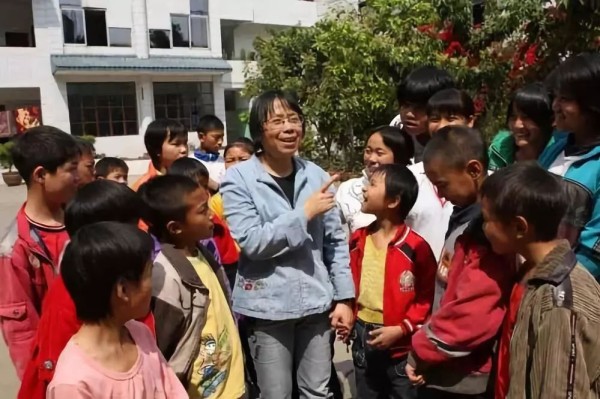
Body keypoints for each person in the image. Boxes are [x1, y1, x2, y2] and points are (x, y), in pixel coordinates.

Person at [221, 90, 355, 399]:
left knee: (317, 392)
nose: (289, 128)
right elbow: (252, 242)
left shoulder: (315, 174)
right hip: (268, 308)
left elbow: (335, 241)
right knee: (276, 394)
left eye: (294, 119)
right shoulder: (239, 179)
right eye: (278, 121)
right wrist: (304, 213)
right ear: (259, 131)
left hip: (315, 304)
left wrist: (345, 298)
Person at [18, 180, 155, 399]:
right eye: (131, 226)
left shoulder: (136, 322)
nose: (139, 232)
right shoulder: (67, 297)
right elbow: (55, 371)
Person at [405, 126, 515, 399]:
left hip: (465, 376)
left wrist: (421, 349)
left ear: (474, 170)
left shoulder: (486, 233)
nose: (441, 195)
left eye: (443, 184)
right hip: (446, 364)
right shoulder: (466, 220)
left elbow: (473, 312)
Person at [480, 162, 600, 399]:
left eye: (486, 219)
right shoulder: (531, 272)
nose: (483, 228)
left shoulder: (558, 302)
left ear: (519, 226)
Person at [47, 222, 187, 399]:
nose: (154, 285)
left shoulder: (140, 334)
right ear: (123, 290)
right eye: (149, 274)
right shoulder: (73, 384)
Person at [139, 175, 245, 399]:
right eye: (202, 210)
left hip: (232, 386)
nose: (211, 214)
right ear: (175, 227)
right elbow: (165, 345)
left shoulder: (203, 254)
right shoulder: (165, 274)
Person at [349, 164, 437, 399]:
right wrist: (347, 312)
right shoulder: (357, 240)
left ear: (393, 201)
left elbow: (426, 297)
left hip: (401, 345)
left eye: (373, 184)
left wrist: (402, 329)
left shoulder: (416, 248)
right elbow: (348, 281)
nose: (364, 189)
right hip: (362, 336)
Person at [0, 126, 79, 378]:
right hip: (62, 371)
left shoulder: (83, 219)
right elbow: (22, 333)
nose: (78, 176)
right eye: (71, 169)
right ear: (41, 175)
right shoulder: (15, 248)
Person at [538, 53, 600, 278]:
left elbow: (593, 253)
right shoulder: (556, 146)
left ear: (592, 104)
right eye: (555, 97)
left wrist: (548, 281)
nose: (555, 106)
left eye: (565, 99)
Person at [168, 157, 239, 288]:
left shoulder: (217, 226)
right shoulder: (167, 232)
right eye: (195, 187)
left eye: (205, 186)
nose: (204, 193)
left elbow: (230, 267)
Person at [336, 126, 414, 234]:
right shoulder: (346, 190)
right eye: (368, 151)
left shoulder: (414, 188)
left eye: (379, 153)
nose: (371, 159)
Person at [394, 66, 456, 163]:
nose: (409, 114)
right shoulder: (398, 126)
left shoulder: (455, 142)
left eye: (419, 108)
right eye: (405, 105)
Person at [488, 83, 554, 171]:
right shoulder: (499, 151)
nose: (517, 125)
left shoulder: (558, 157)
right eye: (513, 117)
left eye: (526, 117)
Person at [132, 119, 188, 191]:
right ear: (157, 149)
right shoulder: (143, 187)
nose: (184, 150)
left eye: (185, 143)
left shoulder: (194, 178)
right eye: (176, 144)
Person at [209, 137, 255, 221]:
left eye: (243, 159)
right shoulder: (217, 201)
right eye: (230, 160)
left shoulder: (268, 192)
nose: (236, 165)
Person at [191, 115, 226, 191]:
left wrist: (216, 187)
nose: (220, 142)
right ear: (201, 137)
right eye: (216, 137)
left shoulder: (224, 163)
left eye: (222, 137)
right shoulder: (189, 163)